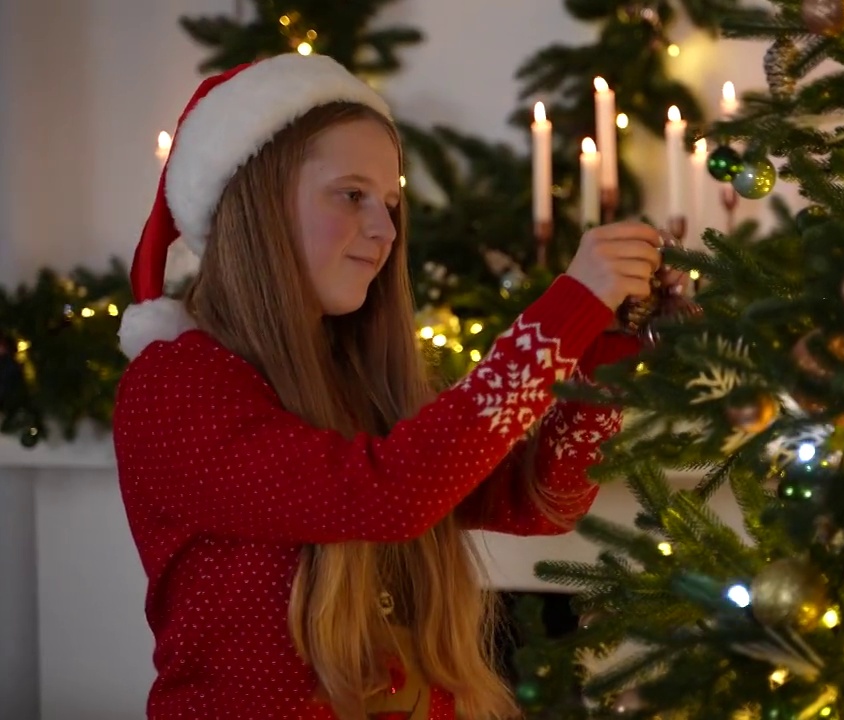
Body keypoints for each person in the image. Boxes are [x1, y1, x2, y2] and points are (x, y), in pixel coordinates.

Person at [112, 53, 681, 720]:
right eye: (351, 194)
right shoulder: (174, 384)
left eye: (390, 202)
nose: (385, 230)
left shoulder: (357, 380)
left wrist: (602, 354)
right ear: (256, 203)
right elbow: (390, 496)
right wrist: (565, 310)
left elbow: (543, 502)